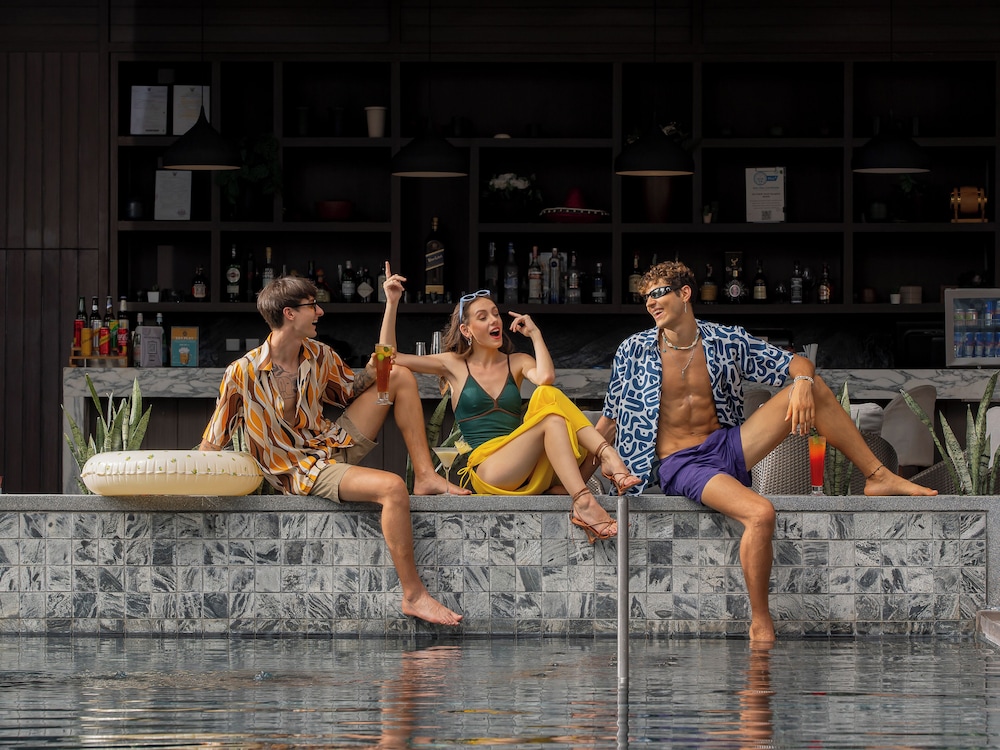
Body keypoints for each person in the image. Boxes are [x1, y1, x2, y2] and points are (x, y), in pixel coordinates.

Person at [596, 260, 936, 641]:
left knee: (815, 388)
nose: (650, 303)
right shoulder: (634, 351)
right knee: (760, 513)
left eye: (658, 293)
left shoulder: (725, 340)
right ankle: (761, 622)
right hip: (681, 463)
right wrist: (580, 485)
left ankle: (877, 476)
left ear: (685, 293)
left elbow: (798, 363)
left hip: (726, 445)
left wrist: (803, 382)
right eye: (646, 297)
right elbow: (608, 422)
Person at [199, 269, 468, 626]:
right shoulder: (242, 372)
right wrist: (182, 485)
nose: (320, 312)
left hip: (331, 444)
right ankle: (414, 595)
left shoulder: (318, 354)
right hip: (300, 471)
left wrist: (390, 305)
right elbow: (212, 441)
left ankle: (425, 475)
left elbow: (354, 390)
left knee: (397, 375)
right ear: (289, 313)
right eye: (312, 306)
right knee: (391, 487)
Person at [389, 286, 640, 543]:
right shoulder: (453, 364)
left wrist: (536, 334)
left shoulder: (516, 361)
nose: (494, 320)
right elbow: (389, 356)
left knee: (547, 394)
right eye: (483, 317)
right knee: (552, 416)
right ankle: (594, 480)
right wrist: (392, 302)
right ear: (466, 330)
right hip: (490, 470)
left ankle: (601, 465)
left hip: (527, 466)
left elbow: (545, 377)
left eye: (495, 313)